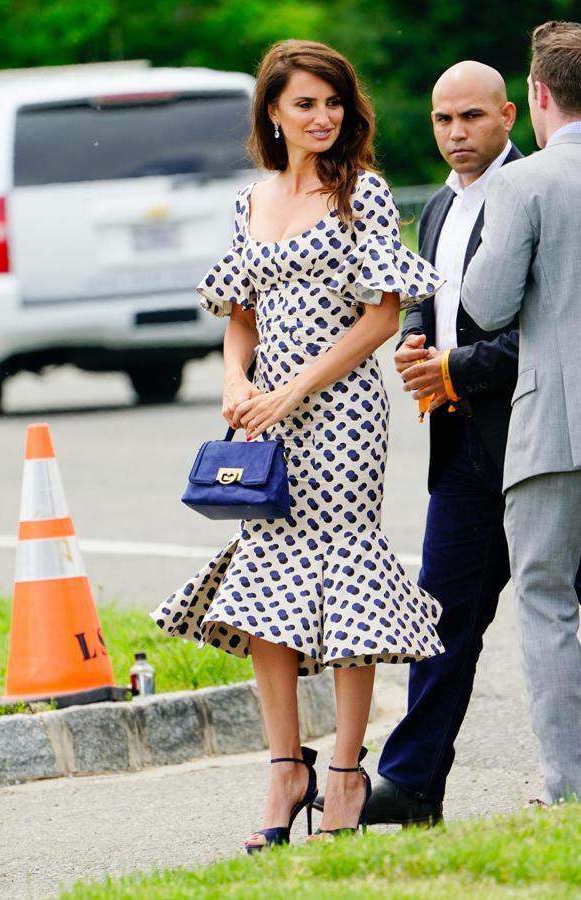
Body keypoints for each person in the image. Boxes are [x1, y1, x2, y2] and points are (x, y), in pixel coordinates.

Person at [314, 59, 581, 827]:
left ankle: (557, 787)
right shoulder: (435, 212)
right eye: (441, 120)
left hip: (547, 436)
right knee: (444, 616)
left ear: (512, 115)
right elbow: (431, 302)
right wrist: (421, 353)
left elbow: (553, 334)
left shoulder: (539, 186)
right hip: (461, 448)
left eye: (471, 118)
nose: (455, 134)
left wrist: (454, 369)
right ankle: (414, 782)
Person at [151, 39, 445, 849]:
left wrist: (294, 387)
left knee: (345, 571)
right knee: (264, 584)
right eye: (304, 103)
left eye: (333, 102)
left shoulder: (365, 194)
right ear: (272, 113)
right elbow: (237, 317)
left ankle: (346, 772)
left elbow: (382, 315)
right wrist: (234, 384)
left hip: (342, 413)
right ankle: (286, 767)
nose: (322, 117)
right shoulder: (250, 203)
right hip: (266, 417)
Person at [462, 21, 581, 805]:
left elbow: (487, 305)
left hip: (558, 424)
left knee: (542, 597)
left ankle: (570, 789)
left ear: (535, 95)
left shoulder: (520, 183)